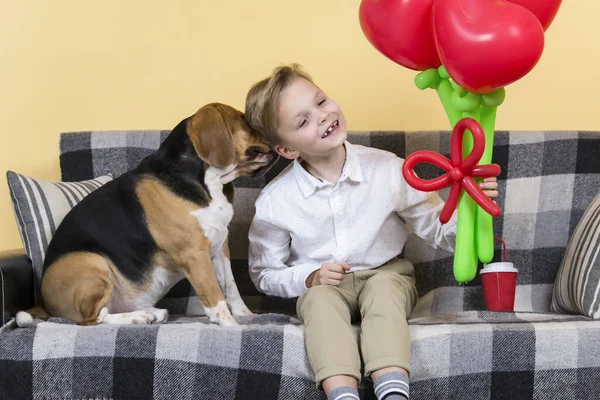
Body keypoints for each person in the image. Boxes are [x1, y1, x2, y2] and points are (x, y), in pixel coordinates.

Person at [244, 64, 498, 400]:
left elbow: (440, 232)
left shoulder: (388, 169)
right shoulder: (276, 202)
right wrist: (309, 278)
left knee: (384, 291)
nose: (322, 116)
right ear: (288, 150)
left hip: (387, 275)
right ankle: (343, 395)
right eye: (302, 121)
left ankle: (393, 391)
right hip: (325, 287)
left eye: (320, 101)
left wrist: (469, 207)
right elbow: (265, 274)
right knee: (319, 302)